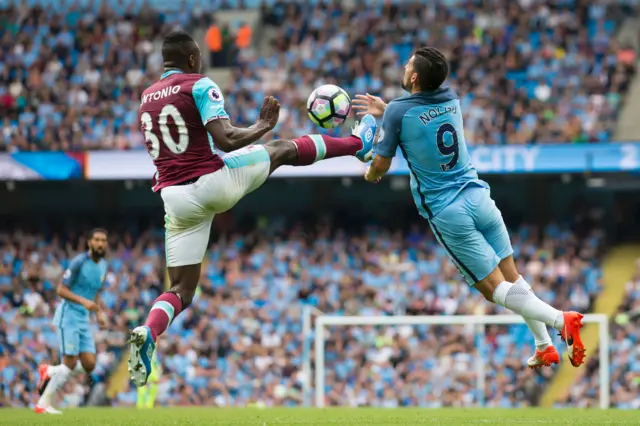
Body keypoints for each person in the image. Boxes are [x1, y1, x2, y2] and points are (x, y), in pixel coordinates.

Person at [128, 29, 377, 387]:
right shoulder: (199, 84)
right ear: (194, 59)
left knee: (181, 288)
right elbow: (226, 139)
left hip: (174, 199)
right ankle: (358, 143)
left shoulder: (146, 97)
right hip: (210, 183)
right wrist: (262, 125)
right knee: (279, 148)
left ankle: (148, 332)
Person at [352, 47, 585, 369]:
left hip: (448, 210)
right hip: (478, 196)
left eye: (407, 65)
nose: (404, 69)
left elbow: (380, 165)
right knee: (513, 277)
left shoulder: (397, 113)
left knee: (493, 289)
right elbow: (414, 115)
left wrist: (368, 171)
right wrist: (388, 110)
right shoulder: (449, 98)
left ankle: (561, 320)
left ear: (414, 77)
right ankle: (544, 344)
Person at [35, 229, 109, 414]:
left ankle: (50, 371)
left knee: (90, 364)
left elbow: (96, 290)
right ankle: (43, 404)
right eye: (97, 240)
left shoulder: (103, 266)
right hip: (69, 316)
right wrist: (84, 302)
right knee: (68, 364)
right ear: (90, 242)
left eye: (103, 240)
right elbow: (61, 290)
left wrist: (99, 314)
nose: (100, 243)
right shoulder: (79, 262)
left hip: (84, 319)